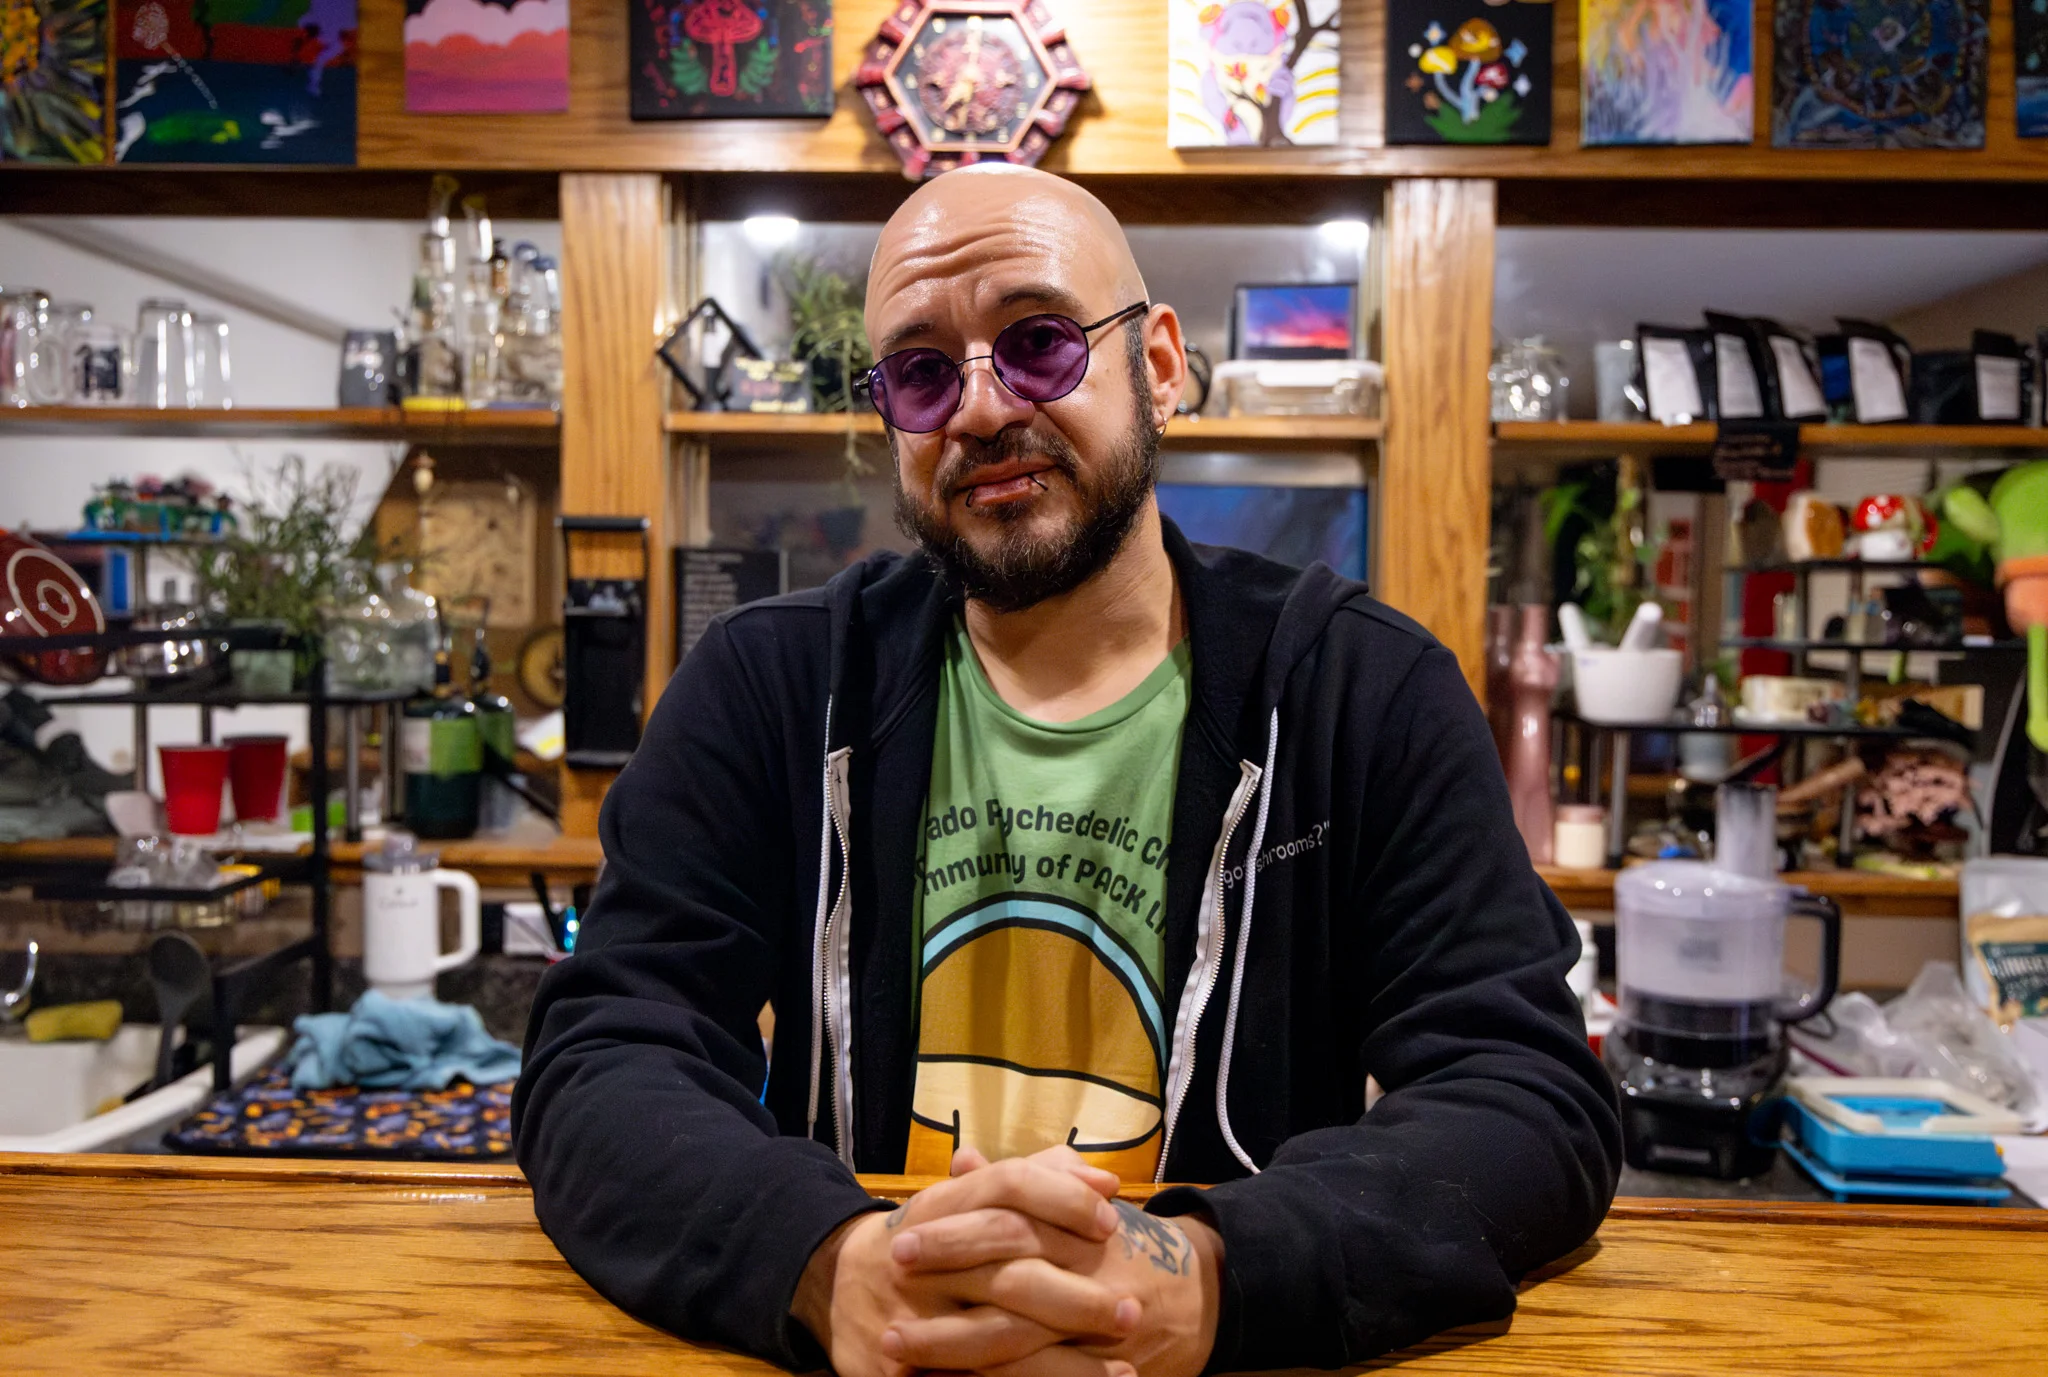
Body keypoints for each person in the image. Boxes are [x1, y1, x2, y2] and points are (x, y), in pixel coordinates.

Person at [514, 165, 1620, 1377]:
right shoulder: (769, 688)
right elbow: (604, 1055)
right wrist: (829, 1266)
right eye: (923, 371)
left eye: (1039, 343)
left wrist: (1207, 1277)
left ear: (1157, 366)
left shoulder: (1362, 694)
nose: (981, 410)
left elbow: (1525, 1096)